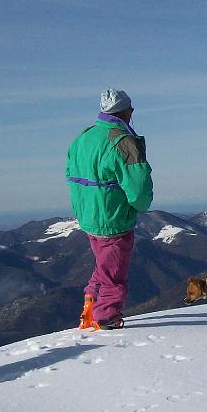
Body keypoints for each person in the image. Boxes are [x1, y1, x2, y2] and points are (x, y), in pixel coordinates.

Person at [66, 88, 153, 330]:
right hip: (113, 218)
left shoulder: (83, 137)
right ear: (126, 111)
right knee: (114, 272)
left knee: (103, 265)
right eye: (131, 109)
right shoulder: (123, 142)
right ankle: (107, 317)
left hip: (88, 216)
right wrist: (137, 207)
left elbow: (70, 175)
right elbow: (139, 191)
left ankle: (90, 303)